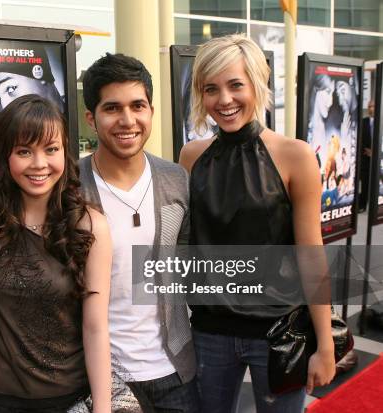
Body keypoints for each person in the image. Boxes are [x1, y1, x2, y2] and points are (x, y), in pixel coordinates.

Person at [179, 34, 336, 413]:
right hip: (209, 332)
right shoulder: (190, 156)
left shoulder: (295, 156)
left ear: (256, 84)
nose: (224, 100)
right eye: (211, 89)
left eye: (236, 85)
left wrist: (325, 343)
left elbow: (311, 254)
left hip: (278, 332)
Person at [0, 95, 113, 412]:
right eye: (24, 151)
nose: (39, 164)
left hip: (68, 399)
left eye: (51, 149)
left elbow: (95, 327)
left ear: (65, 152)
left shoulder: (90, 227)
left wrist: (103, 407)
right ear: (5, 156)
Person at [80, 53, 199, 412]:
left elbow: (189, 265)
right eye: (112, 108)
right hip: (102, 377)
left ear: (151, 111)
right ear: (91, 118)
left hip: (175, 371)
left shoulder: (175, 179)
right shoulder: (69, 186)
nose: (127, 120)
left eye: (138, 106)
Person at [359, 100, 375, 211]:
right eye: (369, 106)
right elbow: (358, 139)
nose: (370, 109)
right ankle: (362, 205)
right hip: (365, 159)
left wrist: (376, 152)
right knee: (365, 184)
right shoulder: (363, 122)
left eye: (373, 106)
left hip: (378, 160)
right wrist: (366, 150)